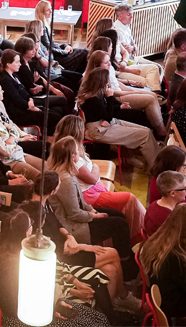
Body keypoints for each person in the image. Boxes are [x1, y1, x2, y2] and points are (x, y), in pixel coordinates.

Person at [23, 173, 139, 310]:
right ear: (53, 191)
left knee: (111, 270)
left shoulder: (44, 202)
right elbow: (52, 249)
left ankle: (111, 307)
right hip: (63, 258)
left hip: (67, 246)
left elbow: (57, 223)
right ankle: (123, 296)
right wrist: (81, 247)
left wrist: (69, 236)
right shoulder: (36, 213)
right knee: (113, 253)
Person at [0, 210, 112, 327]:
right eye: (30, 224)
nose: (33, 227)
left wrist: (56, 303)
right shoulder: (18, 261)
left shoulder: (11, 250)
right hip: (25, 317)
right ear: (24, 232)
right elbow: (16, 304)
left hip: (43, 305)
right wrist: (51, 309)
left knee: (100, 318)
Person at [48, 137, 139, 281]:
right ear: (72, 156)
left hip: (78, 216)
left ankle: (125, 255)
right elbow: (74, 214)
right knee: (119, 225)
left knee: (118, 215)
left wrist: (91, 210)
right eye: (77, 152)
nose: (79, 154)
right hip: (74, 226)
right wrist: (94, 216)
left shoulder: (67, 172)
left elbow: (80, 202)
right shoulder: (65, 180)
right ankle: (127, 266)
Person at [52, 115, 145, 245]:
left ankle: (130, 237)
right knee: (130, 200)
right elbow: (92, 179)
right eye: (83, 128)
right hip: (88, 194)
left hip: (91, 191)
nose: (85, 131)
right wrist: (95, 167)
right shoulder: (70, 156)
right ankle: (143, 233)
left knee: (122, 213)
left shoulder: (71, 149)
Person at [78, 68, 160, 166]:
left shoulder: (98, 93)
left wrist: (119, 106)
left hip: (106, 124)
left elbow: (110, 110)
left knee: (147, 130)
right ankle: (156, 167)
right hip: (99, 130)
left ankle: (158, 159)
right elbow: (108, 115)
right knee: (145, 135)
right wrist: (110, 97)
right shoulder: (93, 99)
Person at [87, 41, 165, 136]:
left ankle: (159, 119)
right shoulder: (97, 77)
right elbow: (111, 93)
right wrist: (130, 92)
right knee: (150, 99)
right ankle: (161, 130)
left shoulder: (107, 69)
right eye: (106, 62)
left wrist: (131, 87)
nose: (109, 64)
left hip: (118, 94)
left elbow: (116, 82)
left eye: (109, 61)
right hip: (116, 98)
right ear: (97, 65)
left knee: (152, 95)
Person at [0, 97, 42, 180]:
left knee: (47, 166)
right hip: (10, 161)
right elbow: (6, 152)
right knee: (41, 178)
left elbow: (11, 127)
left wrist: (12, 138)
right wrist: (14, 139)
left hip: (18, 152)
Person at [0, 49, 63, 134]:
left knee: (57, 111)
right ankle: (50, 140)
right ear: (9, 64)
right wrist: (31, 107)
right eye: (17, 62)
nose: (20, 64)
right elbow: (16, 100)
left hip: (26, 107)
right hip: (20, 114)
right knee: (55, 117)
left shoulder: (14, 75)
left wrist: (30, 99)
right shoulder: (5, 80)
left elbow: (24, 91)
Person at [0, 79, 45, 159]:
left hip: (15, 137)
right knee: (44, 146)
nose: (3, 91)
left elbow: (10, 122)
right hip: (11, 146)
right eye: (1, 90)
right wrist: (21, 139)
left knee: (43, 145)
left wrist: (23, 134)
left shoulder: (0, 104)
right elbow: (2, 140)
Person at [14, 36, 73, 113]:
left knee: (68, 93)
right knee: (62, 99)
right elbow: (31, 89)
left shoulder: (30, 63)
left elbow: (41, 77)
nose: (34, 51)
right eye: (31, 49)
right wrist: (35, 83)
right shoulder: (21, 68)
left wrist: (53, 89)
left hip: (43, 88)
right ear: (23, 51)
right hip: (35, 96)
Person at [34, 0, 88, 73]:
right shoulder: (42, 28)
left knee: (84, 52)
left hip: (59, 52)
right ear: (42, 13)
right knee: (85, 53)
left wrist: (64, 45)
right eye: (48, 10)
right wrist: (65, 52)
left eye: (51, 8)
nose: (51, 11)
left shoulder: (45, 25)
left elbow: (53, 44)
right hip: (56, 57)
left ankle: (76, 75)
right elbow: (49, 48)